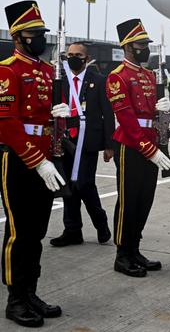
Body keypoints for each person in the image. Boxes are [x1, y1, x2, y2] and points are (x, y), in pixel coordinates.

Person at [0, 0, 70, 327]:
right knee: (20, 232)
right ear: (18, 36)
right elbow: (7, 123)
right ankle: (15, 300)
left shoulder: (45, 70)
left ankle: (31, 291)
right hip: (19, 159)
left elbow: (44, 117)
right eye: (35, 33)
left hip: (46, 159)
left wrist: (62, 121)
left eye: (43, 32)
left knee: (38, 231)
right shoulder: (7, 69)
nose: (41, 38)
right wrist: (36, 160)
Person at [106, 18, 170, 278]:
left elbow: (151, 115)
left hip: (150, 144)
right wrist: (150, 149)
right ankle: (122, 254)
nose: (147, 48)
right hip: (131, 146)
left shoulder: (148, 75)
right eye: (142, 44)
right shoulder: (117, 76)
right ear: (129, 46)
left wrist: (163, 112)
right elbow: (126, 119)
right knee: (128, 201)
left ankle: (135, 249)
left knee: (145, 199)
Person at [49, 42, 114, 247]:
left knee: (85, 184)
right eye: (70, 54)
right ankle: (72, 230)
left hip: (88, 141)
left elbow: (108, 114)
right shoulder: (60, 81)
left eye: (78, 55)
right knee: (68, 186)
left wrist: (109, 144)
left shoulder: (99, 81)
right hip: (65, 140)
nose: (73, 58)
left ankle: (100, 222)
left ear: (86, 59)